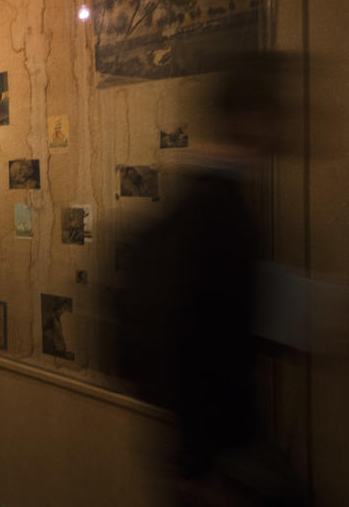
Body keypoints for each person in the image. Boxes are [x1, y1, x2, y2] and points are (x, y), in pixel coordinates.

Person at [114, 51, 306, 506]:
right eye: (276, 109)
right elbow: (193, 339)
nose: (286, 122)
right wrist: (196, 465)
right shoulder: (219, 211)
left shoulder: (211, 201)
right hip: (218, 456)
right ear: (250, 116)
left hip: (211, 449)